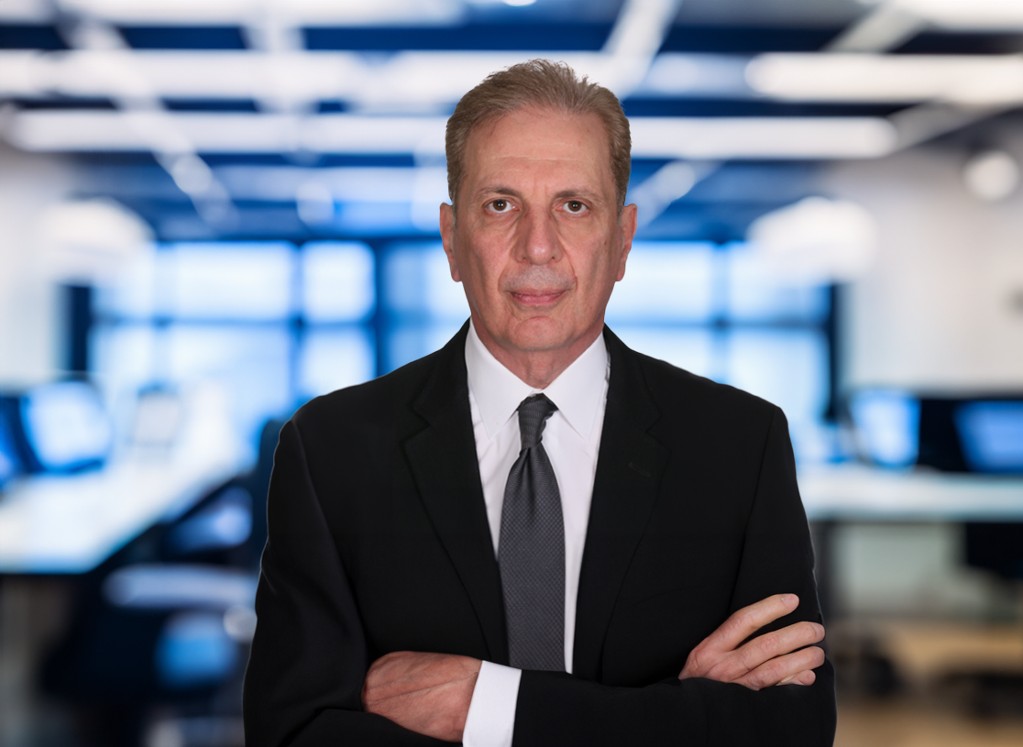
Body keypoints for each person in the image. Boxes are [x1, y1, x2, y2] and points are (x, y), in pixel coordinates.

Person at [243, 59, 835, 746]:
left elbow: (788, 731)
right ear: (450, 236)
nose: (538, 246)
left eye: (574, 205)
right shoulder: (332, 448)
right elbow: (293, 734)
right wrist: (671, 712)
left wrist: (493, 707)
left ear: (622, 238)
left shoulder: (738, 444)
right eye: (501, 205)